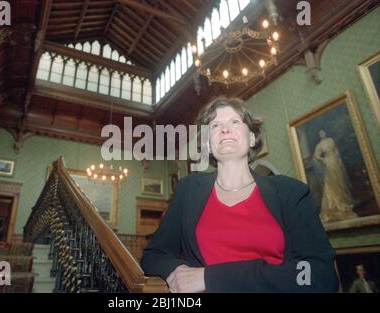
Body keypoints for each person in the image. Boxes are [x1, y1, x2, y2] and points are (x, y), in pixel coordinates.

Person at [140, 97, 339, 293]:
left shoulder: (290, 192)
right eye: (215, 126)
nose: (225, 129)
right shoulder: (188, 190)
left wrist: (211, 278)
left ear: (252, 137)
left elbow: (319, 274)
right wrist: (178, 272)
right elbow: (155, 254)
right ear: (208, 143)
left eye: (235, 122)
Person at [313, 129, 357, 223]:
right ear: (319, 135)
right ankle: (334, 206)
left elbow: (336, 150)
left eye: (323, 132)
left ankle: (343, 202)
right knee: (332, 183)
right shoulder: (319, 145)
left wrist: (339, 159)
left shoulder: (331, 140)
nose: (322, 134)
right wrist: (323, 159)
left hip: (335, 161)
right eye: (320, 133)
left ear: (325, 133)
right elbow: (316, 156)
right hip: (328, 162)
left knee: (339, 181)